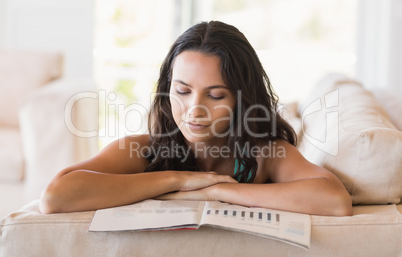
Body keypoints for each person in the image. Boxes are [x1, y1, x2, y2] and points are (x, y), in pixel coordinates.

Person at [40, 21, 352, 216]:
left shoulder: (264, 153)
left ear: (242, 100)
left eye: (215, 95)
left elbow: (335, 200)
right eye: (182, 91)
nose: (194, 110)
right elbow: (56, 196)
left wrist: (219, 190)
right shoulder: (146, 149)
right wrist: (179, 180)